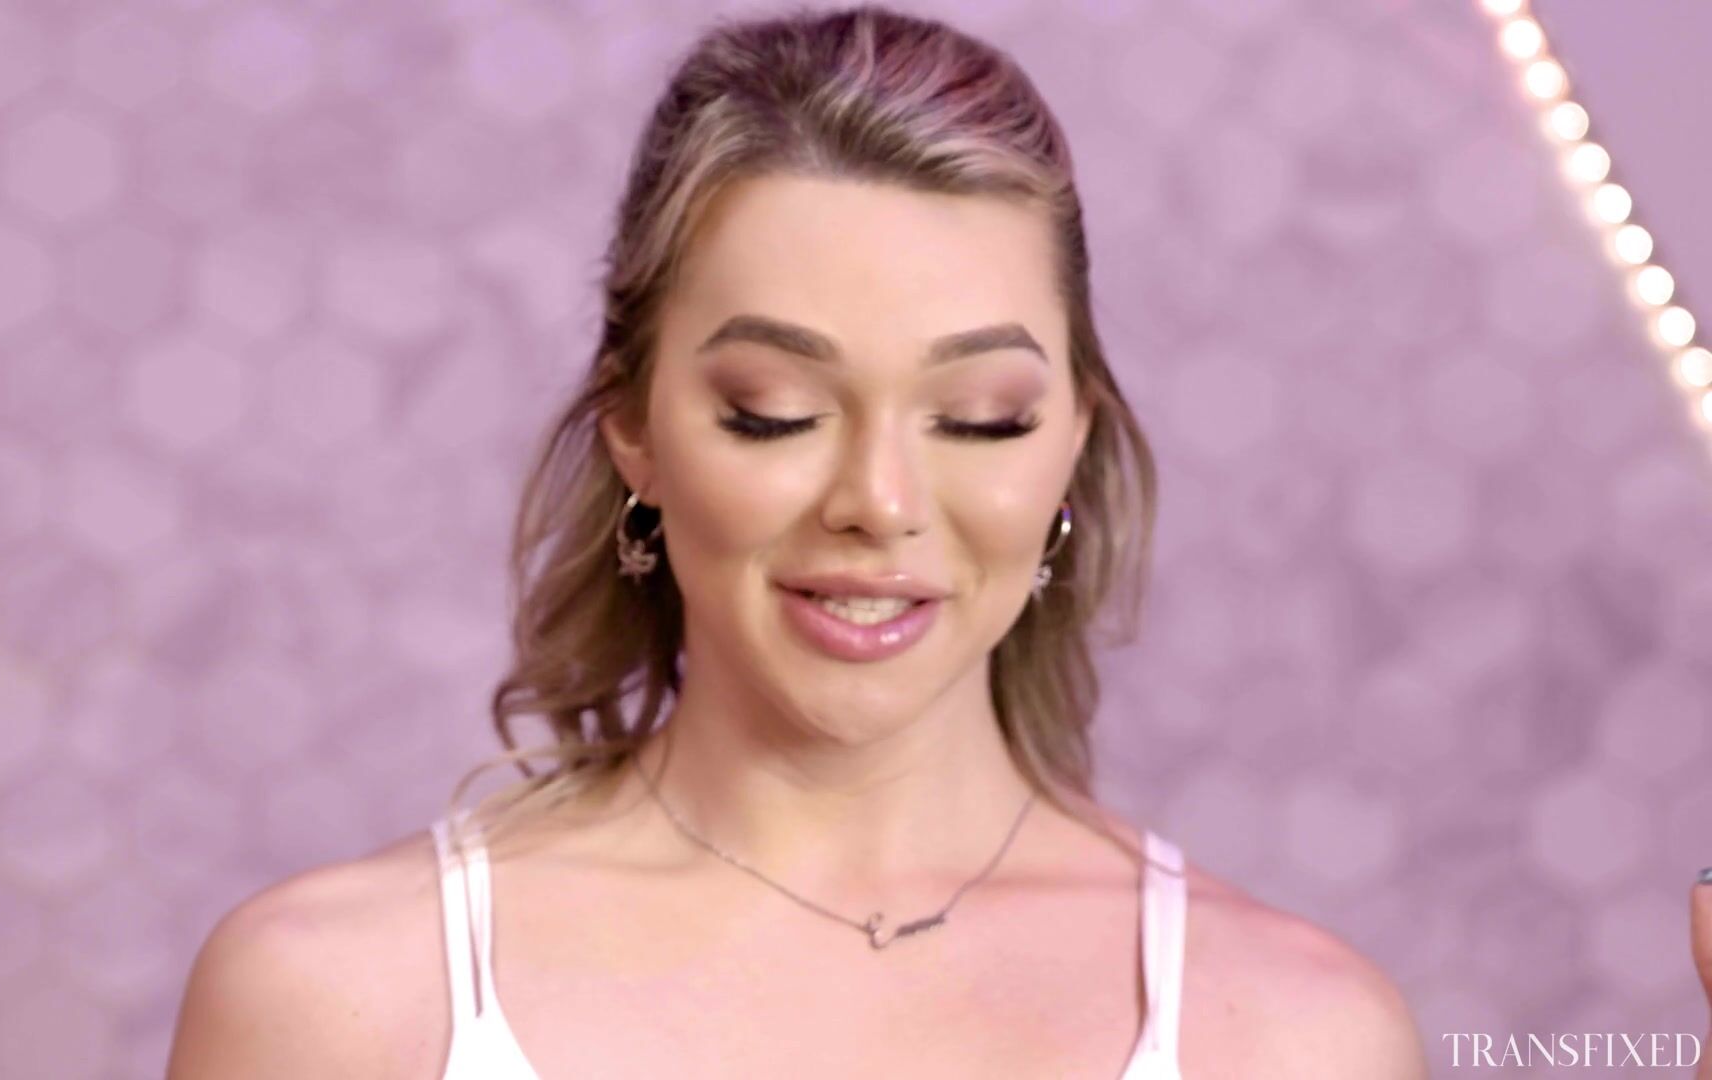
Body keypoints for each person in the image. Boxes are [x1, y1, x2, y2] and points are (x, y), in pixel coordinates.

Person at [156, 6, 1704, 1079]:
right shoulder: (338, 1005)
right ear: (634, 426)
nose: (880, 501)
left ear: (1073, 438)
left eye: (978, 418)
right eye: (774, 411)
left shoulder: (1295, 1036)